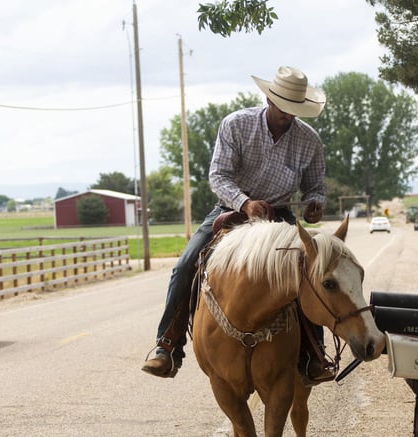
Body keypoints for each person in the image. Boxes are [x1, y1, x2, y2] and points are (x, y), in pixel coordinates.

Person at [142, 65, 334, 383]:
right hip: (231, 210)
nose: (288, 115)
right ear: (269, 100)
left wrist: (315, 205)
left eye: (294, 110)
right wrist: (245, 202)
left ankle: (314, 355)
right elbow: (218, 176)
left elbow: (316, 188)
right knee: (187, 263)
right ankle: (168, 346)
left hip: (280, 215)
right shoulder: (237, 124)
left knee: (309, 270)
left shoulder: (309, 141)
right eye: (284, 108)